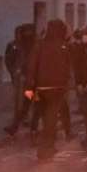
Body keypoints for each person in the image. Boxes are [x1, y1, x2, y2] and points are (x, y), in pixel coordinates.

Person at [23, 19, 72, 160]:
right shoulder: (63, 46)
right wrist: (66, 84)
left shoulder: (40, 45)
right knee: (51, 120)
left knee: (44, 117)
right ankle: (46, 149)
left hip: (40, 88)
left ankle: (46, 147)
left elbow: (31, 66)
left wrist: (29, 86)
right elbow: (67, 68)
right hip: (56, 88)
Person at [4, 23, 40, 139]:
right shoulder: (19, 45)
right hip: (27, 80)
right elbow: (9, 59)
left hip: (32, 81)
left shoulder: (35, 46)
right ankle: (24, 126)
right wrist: (14, 72)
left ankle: (24, 126)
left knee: (30, 104)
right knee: (25, 104)